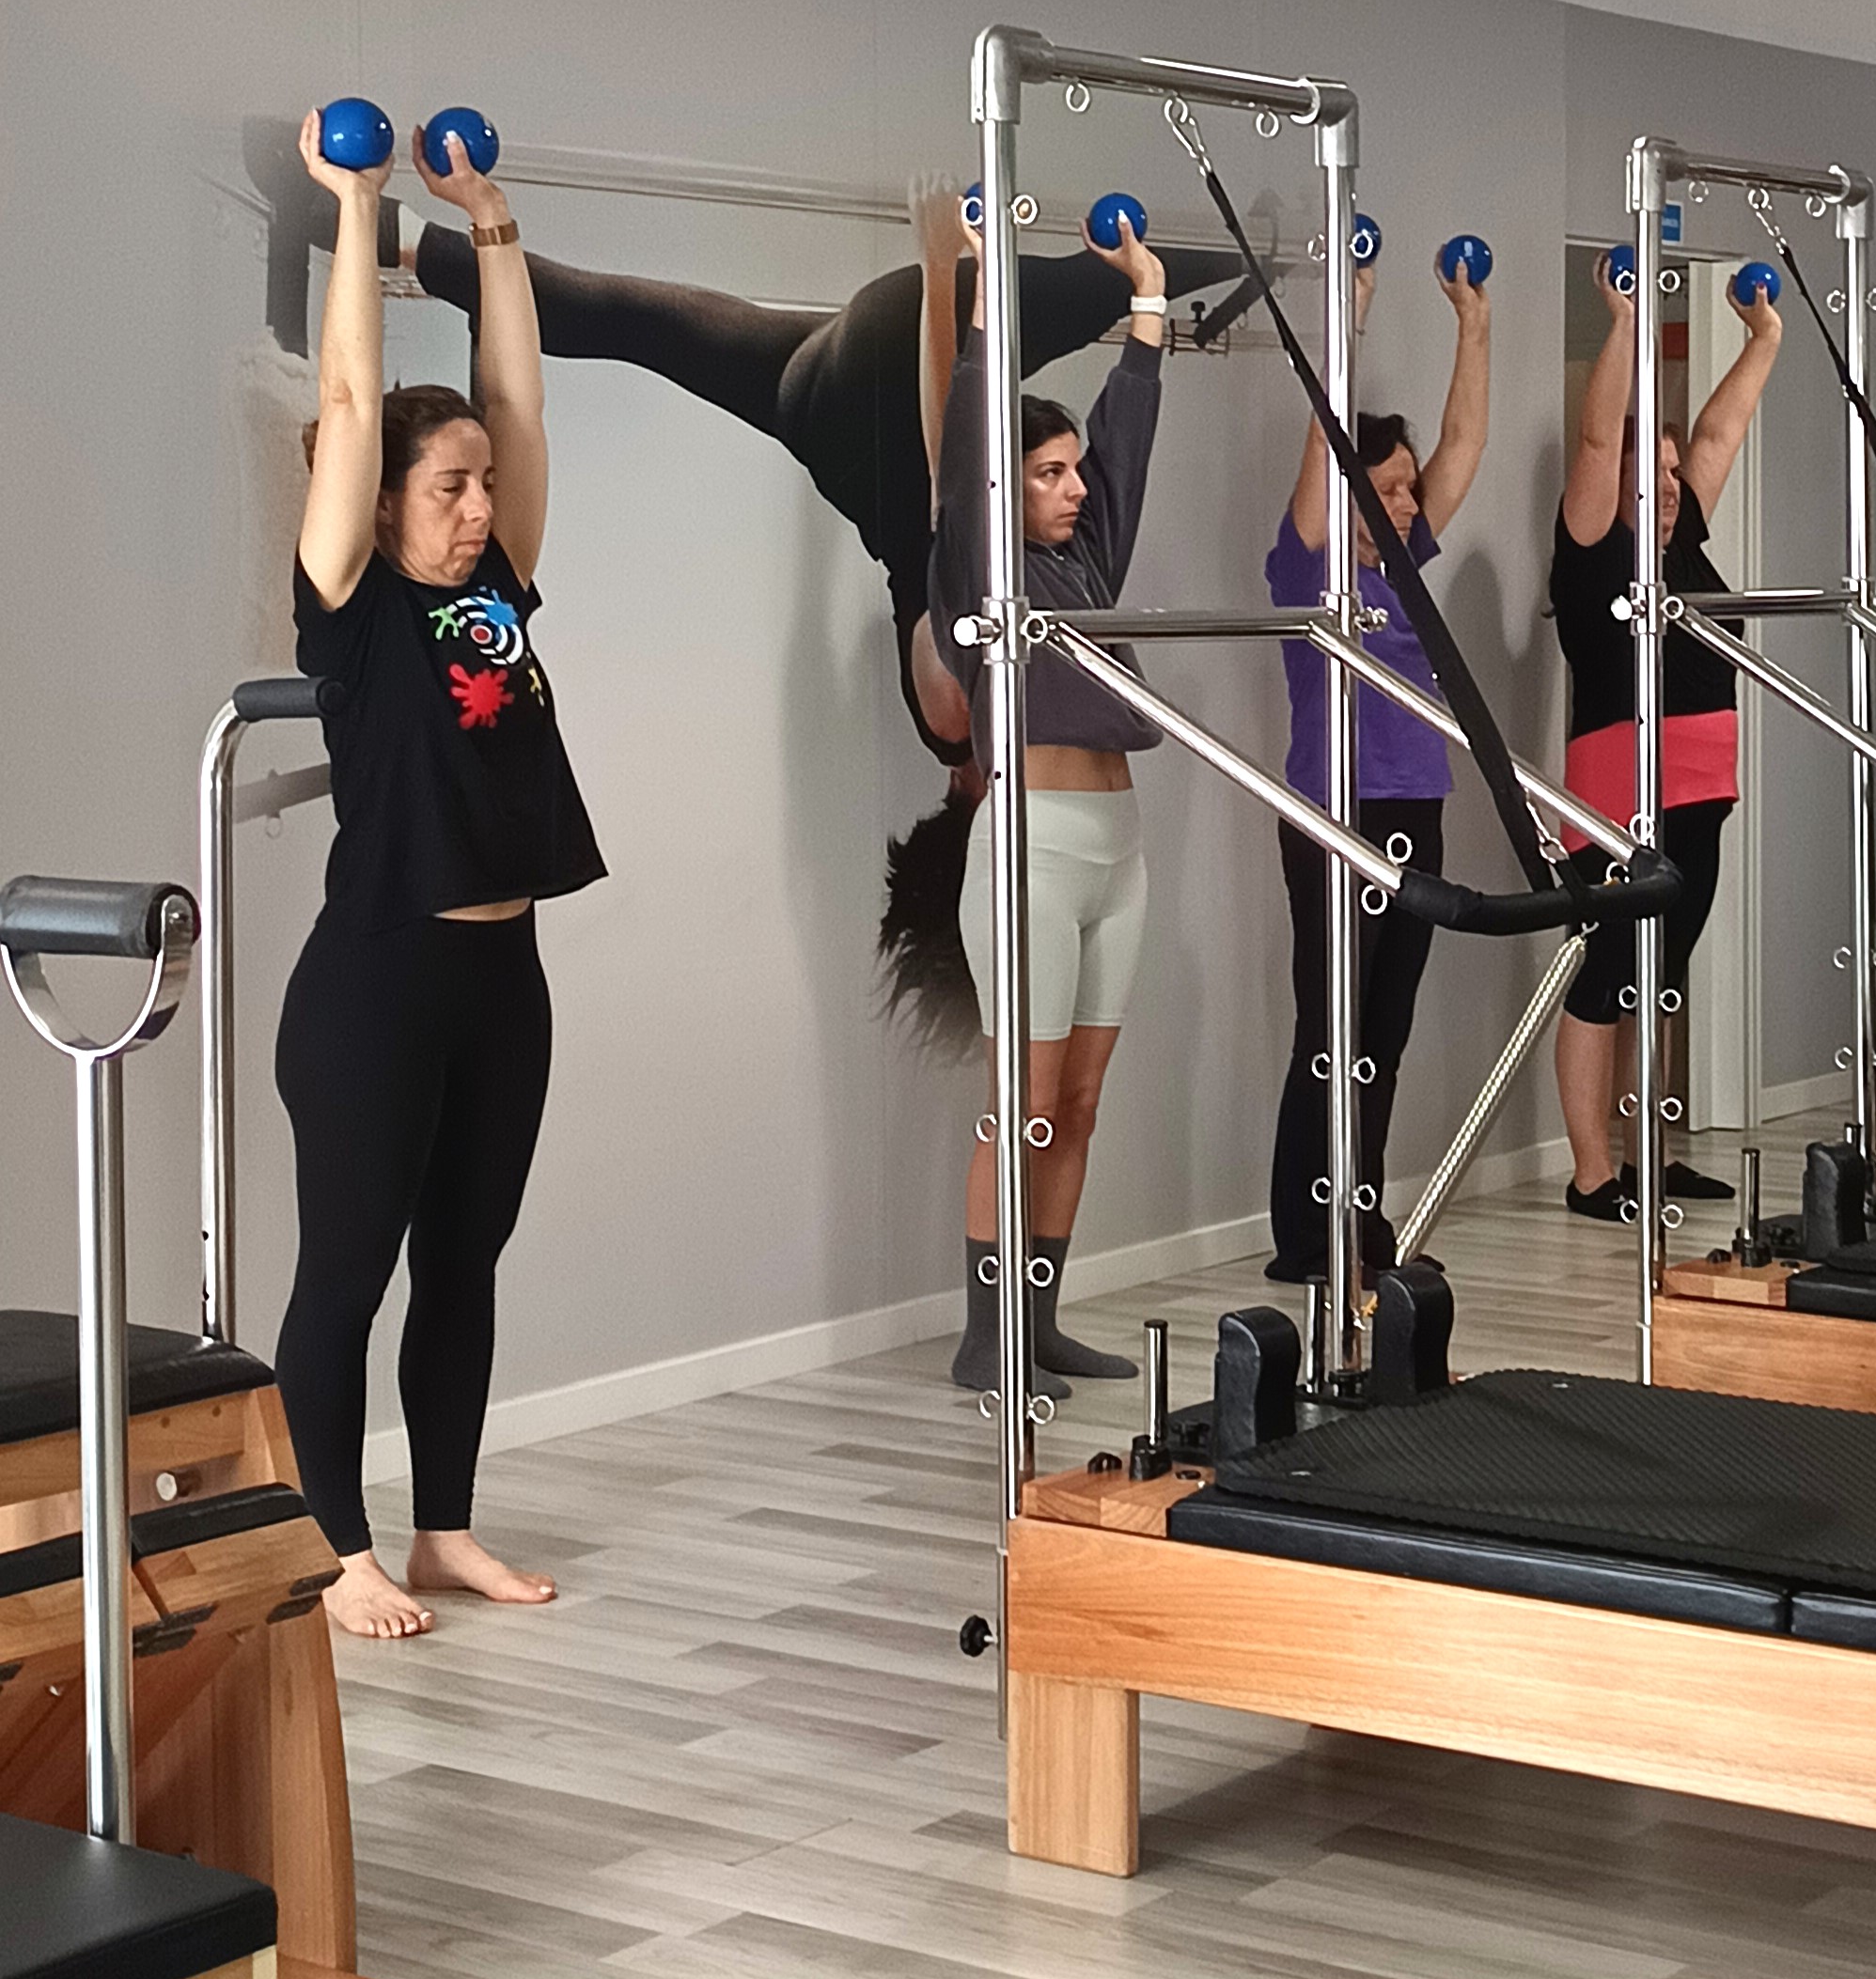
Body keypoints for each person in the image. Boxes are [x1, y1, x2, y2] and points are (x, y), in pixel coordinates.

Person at [393, 197, 1238, 1041]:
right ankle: (406, 240)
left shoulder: (956, 714)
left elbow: (943, 470)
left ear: (977, 824)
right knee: (639, 323)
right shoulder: (975, 721)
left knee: (1110, 281)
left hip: (886, 387)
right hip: (825, 403)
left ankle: (1255, 248)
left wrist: (938, 277)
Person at [279, 113, 604, 1639]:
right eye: (448, 489)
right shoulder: (349, 604)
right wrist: (356, 206)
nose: (478, 507)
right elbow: (351, 398)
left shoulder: (497, 590)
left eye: (482, 486)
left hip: (500, 976)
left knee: (463, 1263)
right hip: (378, 981)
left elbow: (520, 404)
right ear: (383, 503)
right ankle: (333, 1547)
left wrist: (491, 224)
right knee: (349, 1271)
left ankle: (441, 1531)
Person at [922, 194, 1175, 1392]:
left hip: (1117, 844)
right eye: (1049, 473)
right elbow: (971, 431)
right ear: (1003, 486)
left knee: (1078, 1101)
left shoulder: (1086, 565)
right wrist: (984, 291)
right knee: (1021, 1103)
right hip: (1032, 844)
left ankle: (1042, 1316)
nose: (1075, 488)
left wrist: (1148, 300)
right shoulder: (983, 572)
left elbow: (1130, 441)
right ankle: (988, 1338)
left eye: (1074, 470)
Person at [1261, 248, 1491, 1282]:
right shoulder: (1306, 566)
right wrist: (1344, 314)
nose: (1407, 504)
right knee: (1332, 1030)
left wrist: (1474, 322)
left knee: (1382, 1037)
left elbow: (1465, 442)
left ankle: (1361, 1221)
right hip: (1333, 815)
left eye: (1407, 490)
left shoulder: (1406, 563)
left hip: (1415, 808)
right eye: (1387, 490)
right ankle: (1307, 1235)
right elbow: (1323, 438)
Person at [1550, 253, 1779, 1220]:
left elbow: (1722, 429)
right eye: (1657, 474)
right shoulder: (1593, 544)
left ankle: (1652, 1151)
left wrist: (1764, 336)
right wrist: (1625, 323)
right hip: (1618, 791)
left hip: (1699, 787)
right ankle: (1592, 1172)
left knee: (1664, 975)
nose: (1675, 486)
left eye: (1677, 473)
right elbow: (1599, 436)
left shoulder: (1683, 541)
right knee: (1607, 975)